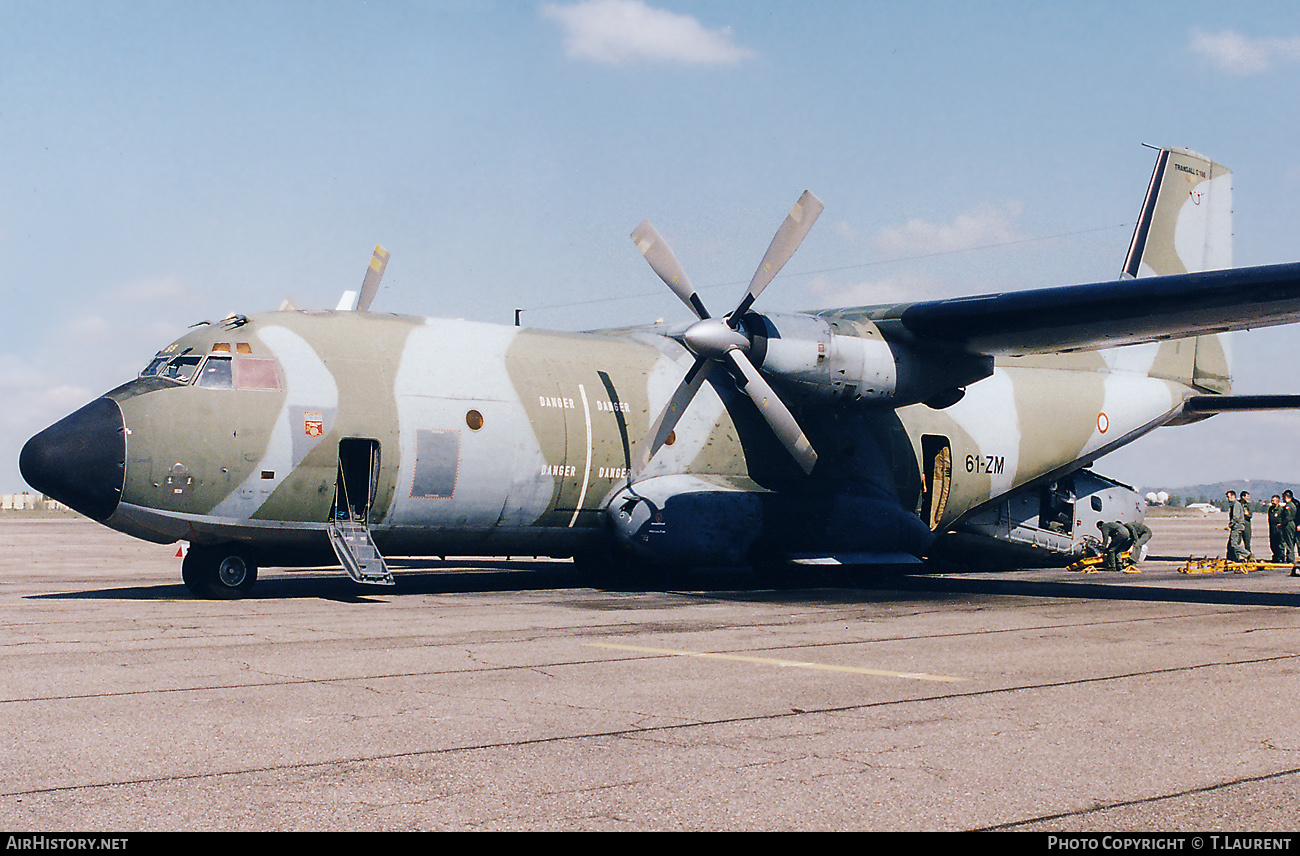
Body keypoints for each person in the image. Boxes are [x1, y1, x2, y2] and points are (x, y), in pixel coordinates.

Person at [1226, 490, 1249, 561]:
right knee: (1230, 544)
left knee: (1234, 544)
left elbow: (1236, 517)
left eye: (1228, 497)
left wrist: (1229, 525)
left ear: (1233, 496)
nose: (1227, 499)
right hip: (1236, 526)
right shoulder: (1234, 505)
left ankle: (1247, 554)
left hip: (1237, 527)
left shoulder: (1236, 505)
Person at [1283, 490, 1298, 566]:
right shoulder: (1292, 504)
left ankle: (1290, 559)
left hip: (1289, 524)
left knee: (1289, 542)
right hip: (1291, 524)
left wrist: (1281, 524)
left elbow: (1288, 517)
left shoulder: (1289, 506)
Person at [1268, 495, 1284, 563]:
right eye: (1272, 500)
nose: (1272, 502)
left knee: (1280, 544)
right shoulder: (1271, 509)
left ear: (1278, 501)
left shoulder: (1281, 509)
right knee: (1273, 543)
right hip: (1272, 528)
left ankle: (1281, 557)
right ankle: (1275, 556)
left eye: (1274, 500)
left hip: (1279, 529)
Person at [1241, 491, 1254, 556]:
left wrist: (1246, 514)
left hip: (1246, 526)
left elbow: (1250, 515)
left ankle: (1249, 556)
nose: (1248, 498)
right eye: (1247, 496)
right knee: (1236, 543)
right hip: (1239, 525)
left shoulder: (1248, 505)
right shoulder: (1238, 504)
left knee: (1247, 543)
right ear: (1243, 497)